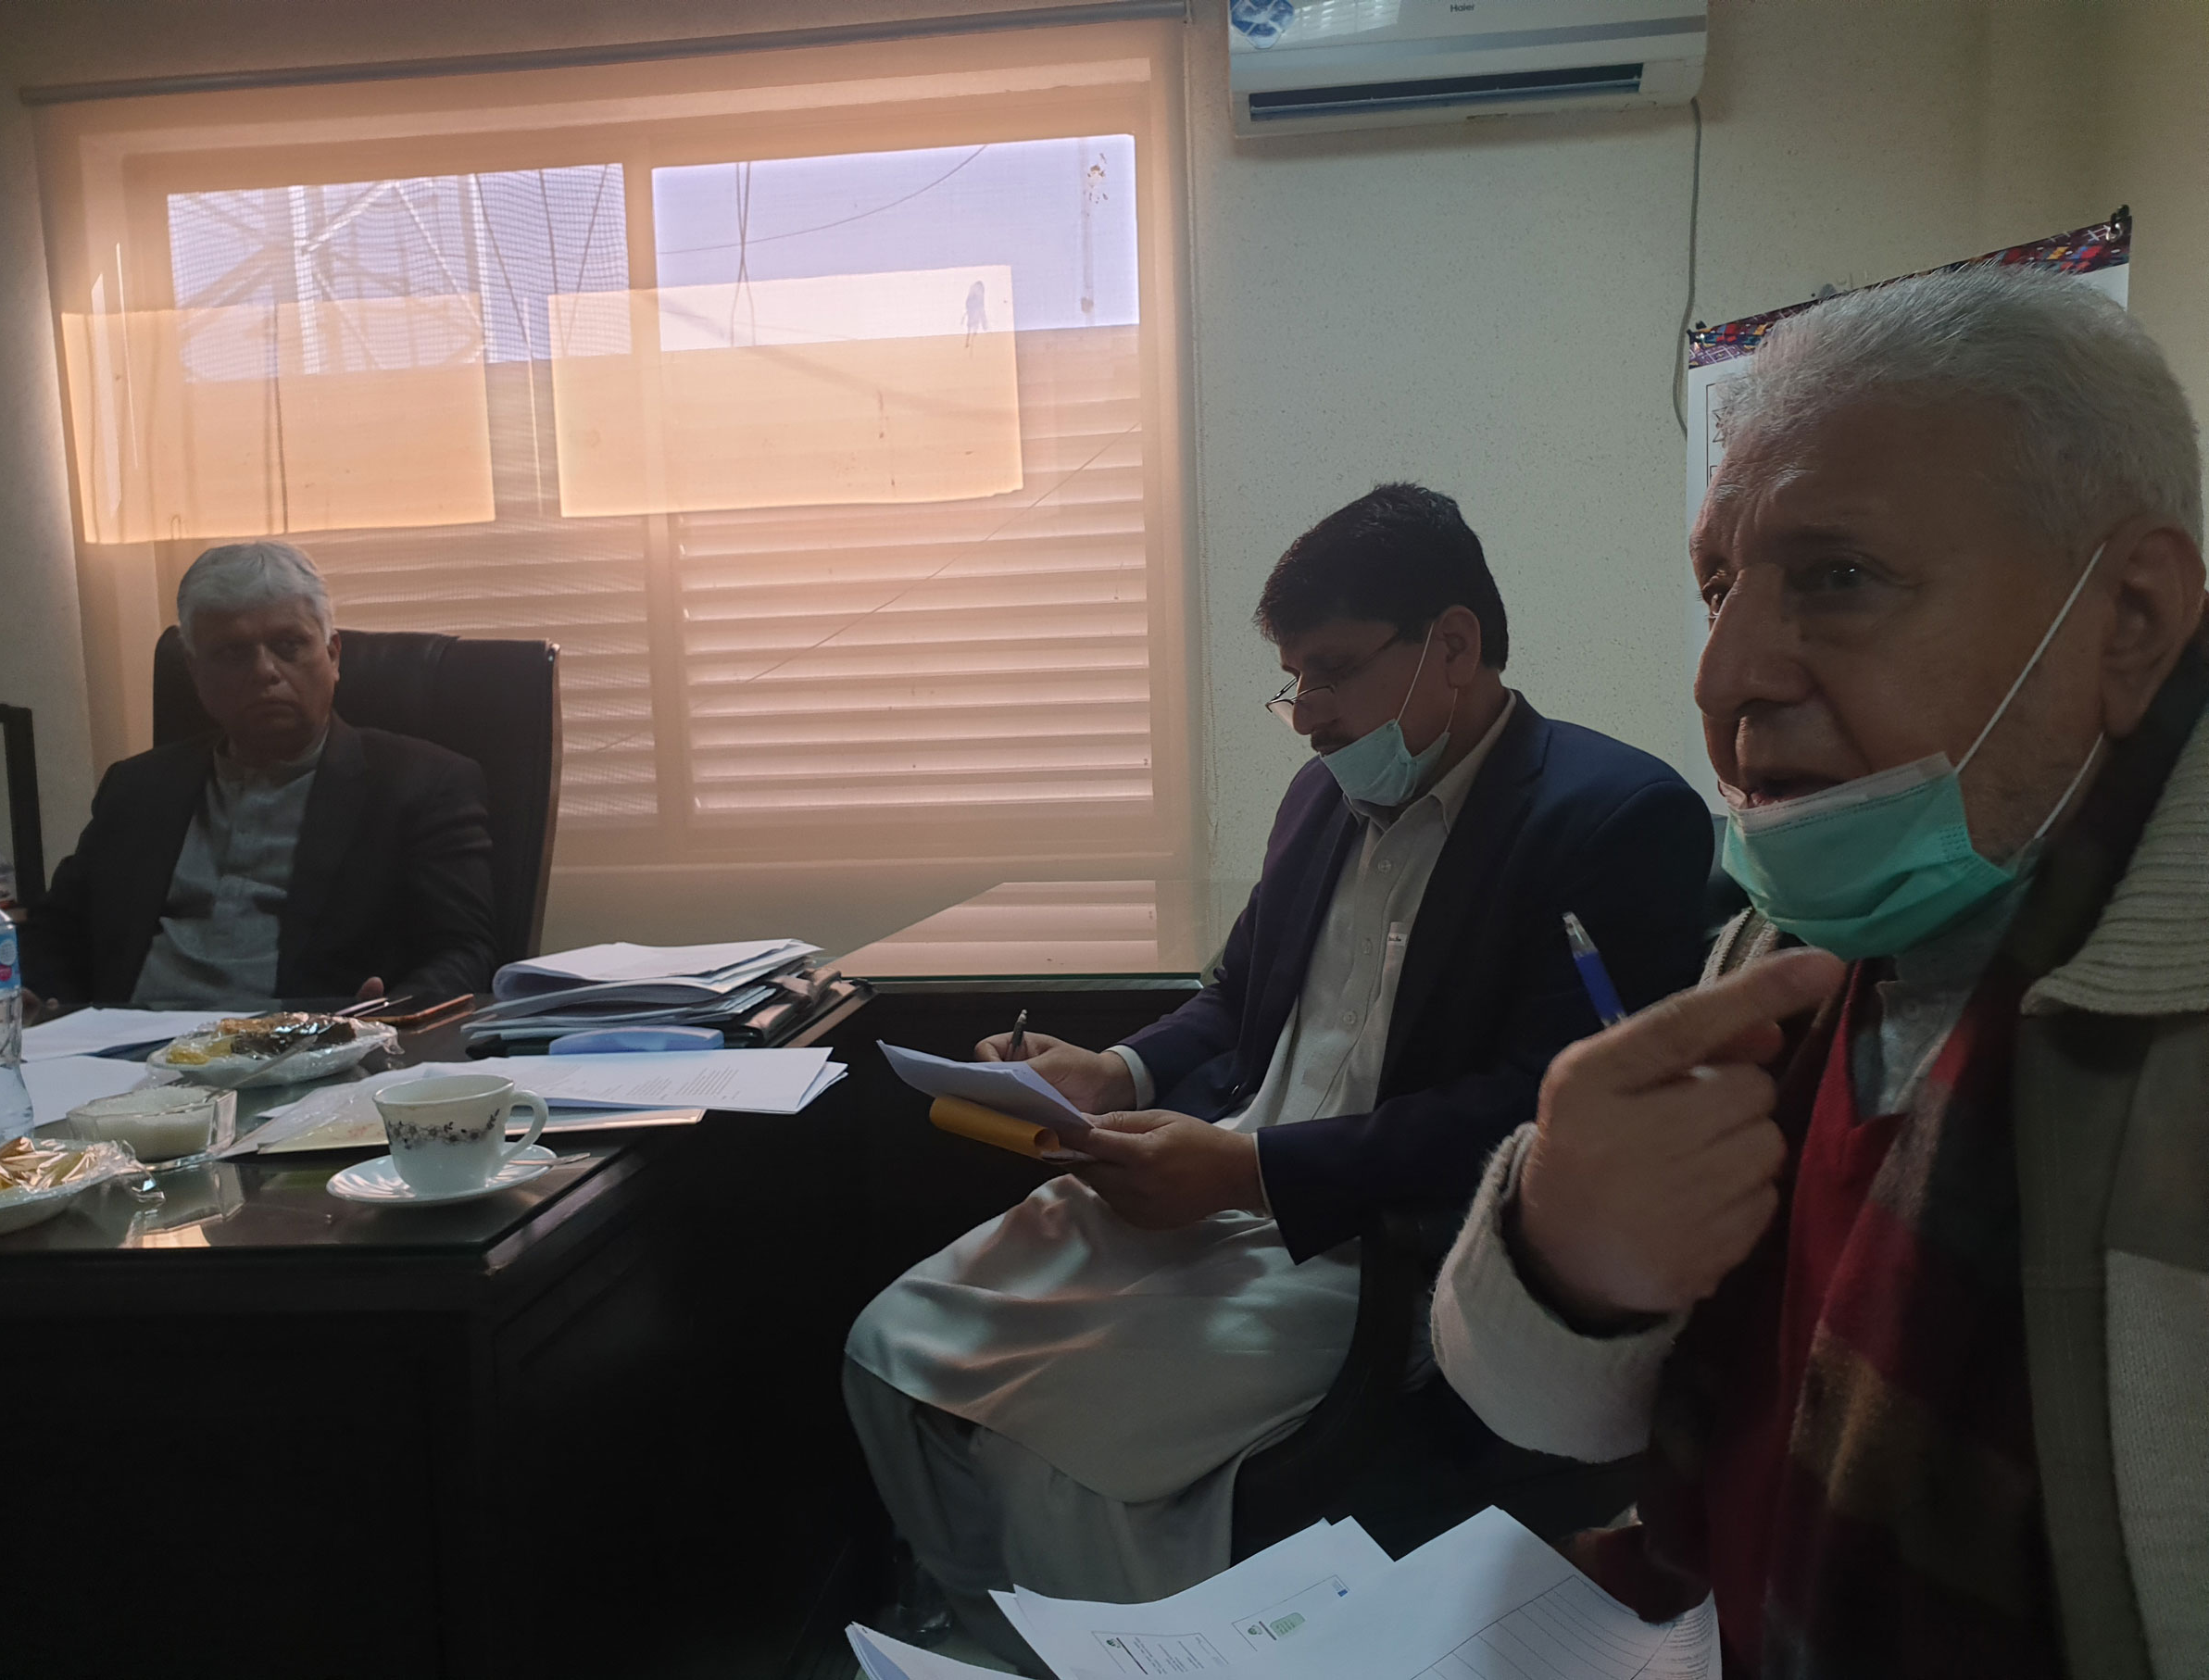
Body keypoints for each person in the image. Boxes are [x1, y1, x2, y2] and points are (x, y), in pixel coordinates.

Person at [1430, 267, 2209, 1678]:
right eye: (1715, 586)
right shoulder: (1777, 947)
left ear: (2131, 618)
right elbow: (1546, 1411)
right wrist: (1563, 1254)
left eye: (1837, 578)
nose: (1720, 678)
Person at [846, 483, 1713, 1657]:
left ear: (1453, 646)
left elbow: (1536, 1108)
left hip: (1371, 1240)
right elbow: (1234, 997)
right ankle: (988, 1630)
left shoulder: (1612, 814)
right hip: (1212, 1186)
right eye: (1294, 678)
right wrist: (1115, 1070)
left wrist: (1251, 1172)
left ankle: (1123, 1653)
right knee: (892, 1341)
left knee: (1067, 1448)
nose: (1305, 714)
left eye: (1333, 670)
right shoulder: (1325, 794)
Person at [23, 541, 499, 1009]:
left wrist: (389, 1015)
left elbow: (464, 950)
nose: (265, 671)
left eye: (289, 646)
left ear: (333, 655)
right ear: (194, 671)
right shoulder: (136, 788)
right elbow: (54, 935)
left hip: (305, 1045)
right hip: (126, 1046)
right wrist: (47, 1010)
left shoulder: (422, 786)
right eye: (233, 653)